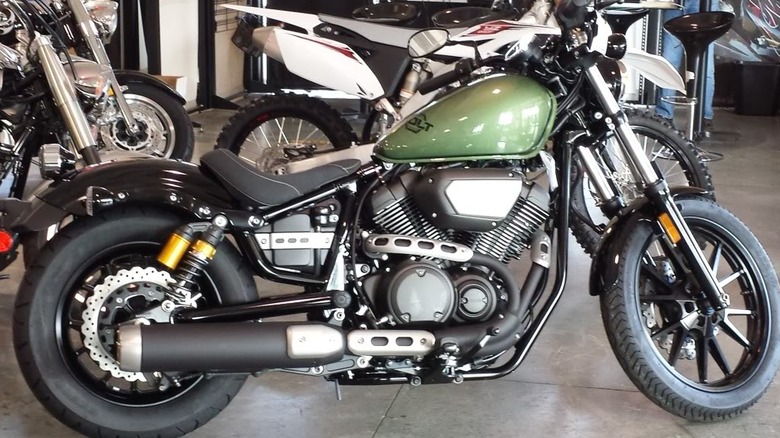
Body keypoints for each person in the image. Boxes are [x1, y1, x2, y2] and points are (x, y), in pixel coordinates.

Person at [656, 0, 718, 125]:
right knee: (670, 61)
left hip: (702, 3)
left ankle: (703, 115)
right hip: (678, 3)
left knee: (702, 63)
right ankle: (702, 117)